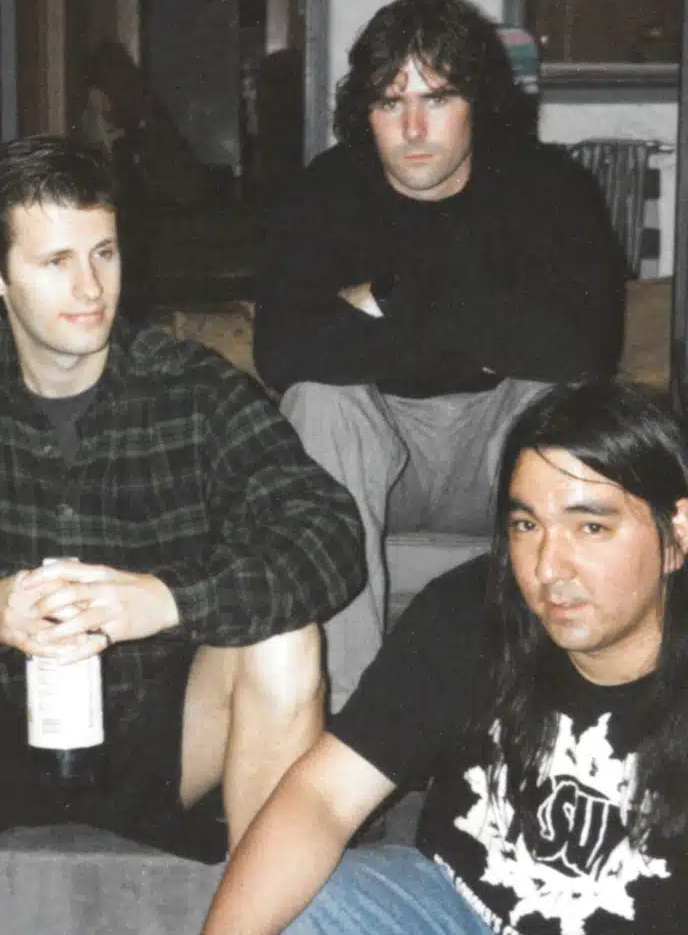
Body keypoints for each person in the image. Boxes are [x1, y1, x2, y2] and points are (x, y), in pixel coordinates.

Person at [0, 135, 365, 935]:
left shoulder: (192, 387)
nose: (91, 287)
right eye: (56, 262)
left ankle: (268, 925)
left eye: (104, 252)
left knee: (286, 642)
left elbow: (325, 533)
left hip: (163, 743)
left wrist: (168, 601)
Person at [252, 0, 626, 710]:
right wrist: (483, 315)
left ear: (476, 102)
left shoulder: (547, 186)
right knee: (320, 402)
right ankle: (348, 708)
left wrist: (385, 297)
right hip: (378, 451)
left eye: (438, 98)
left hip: (501, 452)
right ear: (364, 112)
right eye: (390, 102)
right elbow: (284, 352)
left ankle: (560, 696)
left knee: (563, 401)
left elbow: (581, 348)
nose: (414, 128)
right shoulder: (327, 191)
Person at [203, 380, 688, 935]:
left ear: (677, 535)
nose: (548, 567)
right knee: (288, 896)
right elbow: (324, 797)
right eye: (527, 525)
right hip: (449, 910)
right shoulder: (469, 609)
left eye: (591, 527)